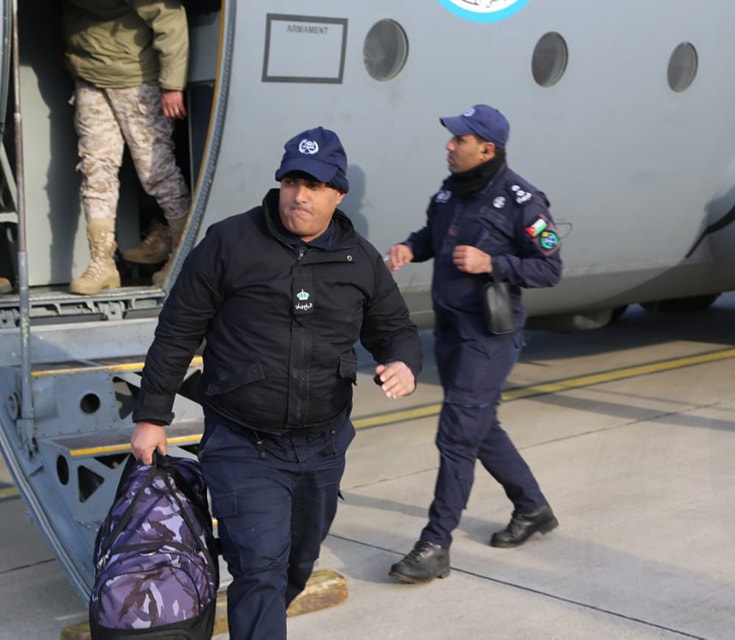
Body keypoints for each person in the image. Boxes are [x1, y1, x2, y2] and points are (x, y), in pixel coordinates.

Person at [130, 126, 423, 639]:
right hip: (244, 443)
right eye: (291, 182)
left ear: (338, 194)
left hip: (323, 446)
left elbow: (395, 329)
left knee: (295, 565)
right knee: (258, 567)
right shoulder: (229, 243)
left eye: (313, 185)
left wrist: (403, 363)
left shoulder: (359, 260)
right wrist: (152, 416)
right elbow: (178, 329)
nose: (299, 195)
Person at [385, 104, 563, 584]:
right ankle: (532, 507)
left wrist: (493, 264)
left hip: (487, 337)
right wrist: (410, 247)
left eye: (459, 140)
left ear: (486, 149)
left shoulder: (522, 201)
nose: (449, 146)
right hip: (449, 332)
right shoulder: (450, 192)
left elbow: (550, 268)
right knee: (480, 427)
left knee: (456, 435)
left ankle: (435, 544)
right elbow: (433, 235)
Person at [61, 0, 191, 295]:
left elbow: (169, 18)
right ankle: (102, 263)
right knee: (95, 170)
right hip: (89, 75)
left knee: (156, 171)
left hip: (135, 79)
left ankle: (183, 256)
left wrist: (173, 84)